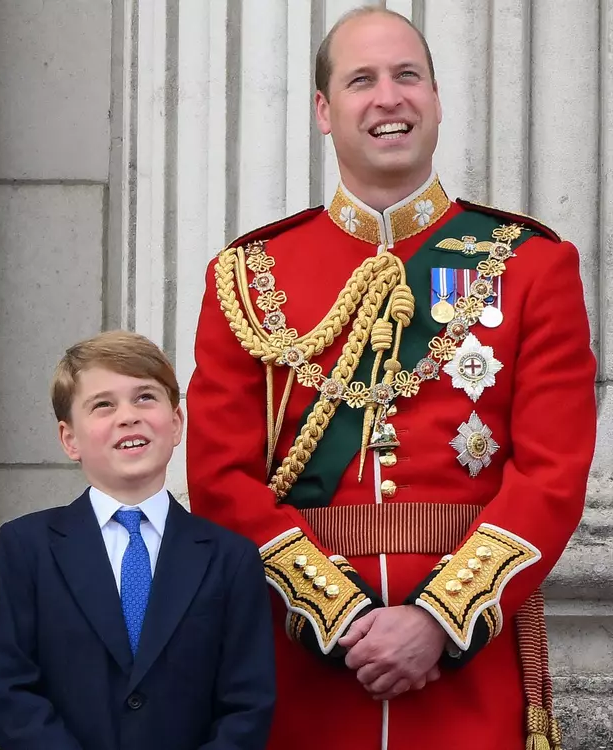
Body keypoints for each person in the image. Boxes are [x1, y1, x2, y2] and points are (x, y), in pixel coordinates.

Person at [186, 7, 596, 750]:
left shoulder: (530, 264)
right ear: (324, 109)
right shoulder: (248, 277)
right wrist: (342, 620)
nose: (388, 98)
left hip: (466, 676)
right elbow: (221, 480)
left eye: (408, 76)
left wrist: (438, 620)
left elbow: (553, 475)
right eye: (361, 80)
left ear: (436, 99)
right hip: (302, 670)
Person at [0, 331, 276, 750]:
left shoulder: (230, 557)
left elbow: (247, 703)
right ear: (69, 439)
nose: (128, 416)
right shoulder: (25, 546)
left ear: (176, 424)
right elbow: (6, 689)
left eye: (145, 398)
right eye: (103, 405)